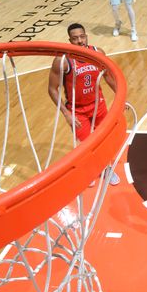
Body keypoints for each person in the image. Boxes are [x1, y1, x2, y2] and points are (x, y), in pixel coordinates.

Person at [47, 23, 120, 185]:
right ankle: (94, 169)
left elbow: (108, 76)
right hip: (77, 110)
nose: (80, 41)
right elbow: (52, 89)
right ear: (69, 40)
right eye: (75, 38)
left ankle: (105, 168)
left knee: (103, 140)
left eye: (82, 36)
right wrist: (66, 114)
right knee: (87, 145)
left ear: (86, 36)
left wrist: (121, 96)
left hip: (98, 105)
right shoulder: (63, 61)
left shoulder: (98, 53)